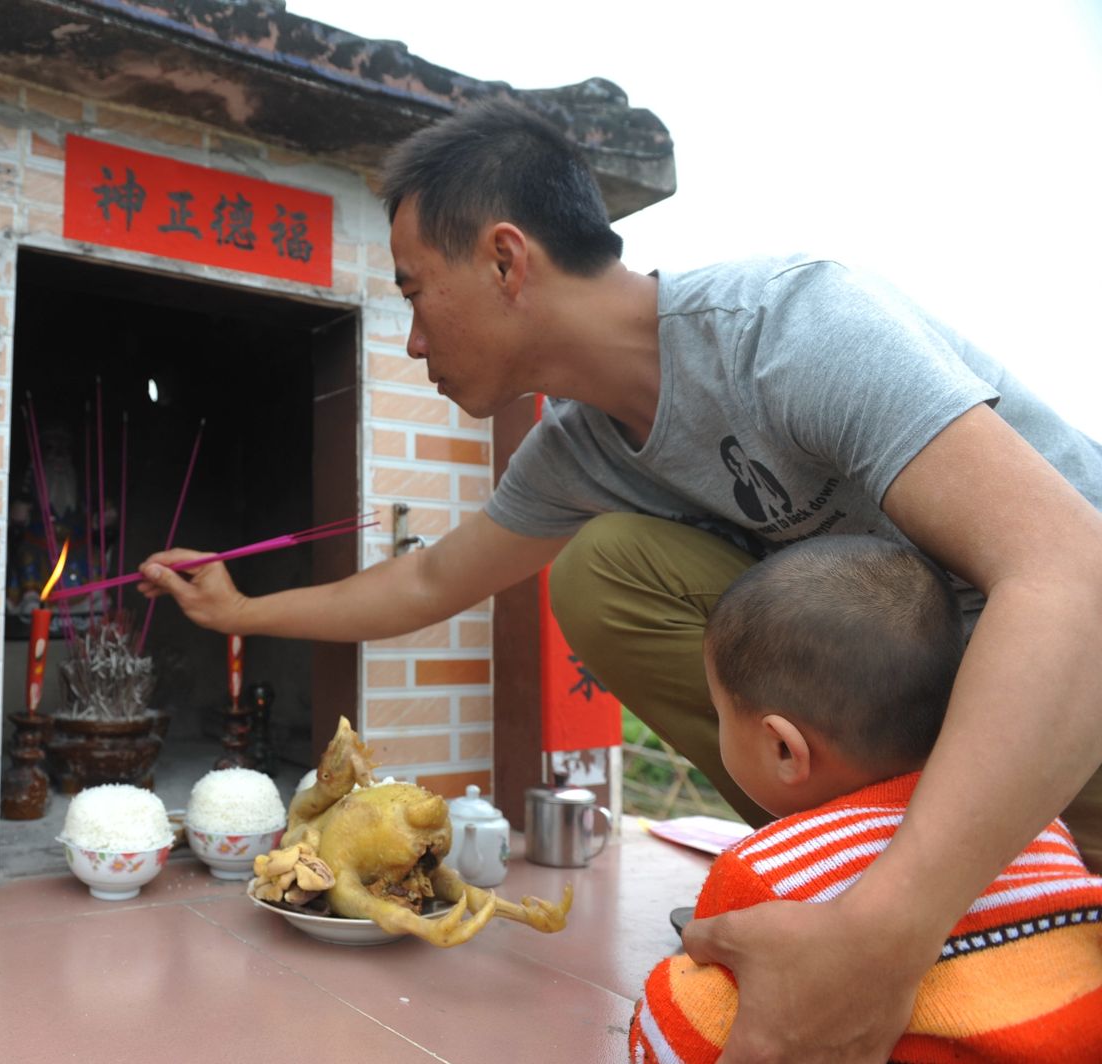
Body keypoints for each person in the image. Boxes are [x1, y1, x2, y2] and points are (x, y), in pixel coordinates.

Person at [137, 98, 1102, 1060]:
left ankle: (908, 899)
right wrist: (240, 608)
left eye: (415, 293)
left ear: (507, 261)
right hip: (930, 720)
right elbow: (428, 583)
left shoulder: (788, 328)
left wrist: (887, 936)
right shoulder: (580, 454)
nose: (413, 342)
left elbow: (1074, 578)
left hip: (1068, 691)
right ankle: (846, 874)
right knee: (606, 572)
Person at [629, 535, 1102, 1061]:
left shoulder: (767, 873)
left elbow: (687, 1031)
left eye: (720, 714)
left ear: (785, 748)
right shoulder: (1036, 825)